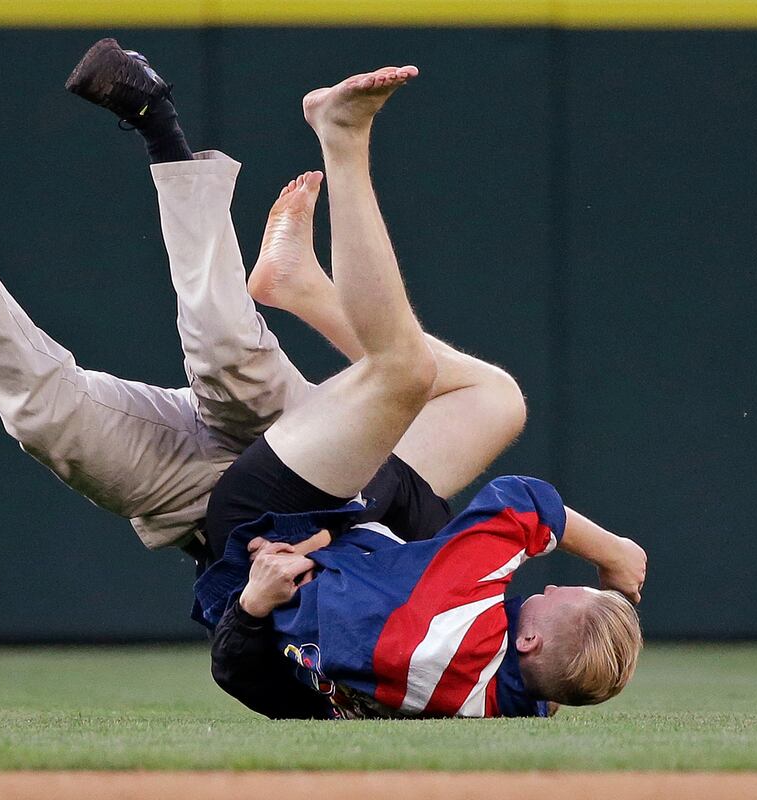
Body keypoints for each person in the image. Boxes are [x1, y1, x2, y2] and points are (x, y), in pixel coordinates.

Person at [0, 38, 526, 567]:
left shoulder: (394, 625)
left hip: (202, 511)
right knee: (231, 352)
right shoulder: (429, 528)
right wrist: (604, 549)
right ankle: (159, 126)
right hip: (310, 457)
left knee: (43, 420)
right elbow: (505, 493)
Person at [191, 66, 646, 719]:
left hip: (270, 525)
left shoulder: (469, 596)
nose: (553, 588)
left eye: (564, 597)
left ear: (529, 636)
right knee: (495, 400)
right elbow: (552, 684)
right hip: (348, 553)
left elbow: (526, 503)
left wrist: (614, 556)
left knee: (405, 370)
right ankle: (297, 286)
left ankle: (342, 139)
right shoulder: (498, 700)